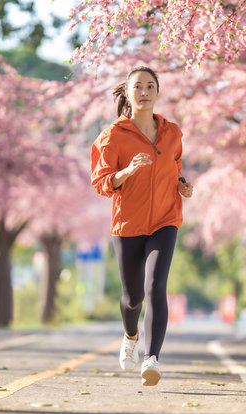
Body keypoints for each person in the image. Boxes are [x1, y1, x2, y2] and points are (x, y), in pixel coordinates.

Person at [90, 66, 193, 386]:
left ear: (158, 93)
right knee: (133, 297)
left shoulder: (172, 132)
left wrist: (182, 185)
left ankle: (153, 358)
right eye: (138, 87)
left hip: (165, 220)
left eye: (150, 86)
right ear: (128, 93)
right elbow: (101, 183)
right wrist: (128, 172)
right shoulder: (112, 136)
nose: (145, 91)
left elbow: (175, 166)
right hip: (128, 224)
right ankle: (130, 335)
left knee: (154, 287)